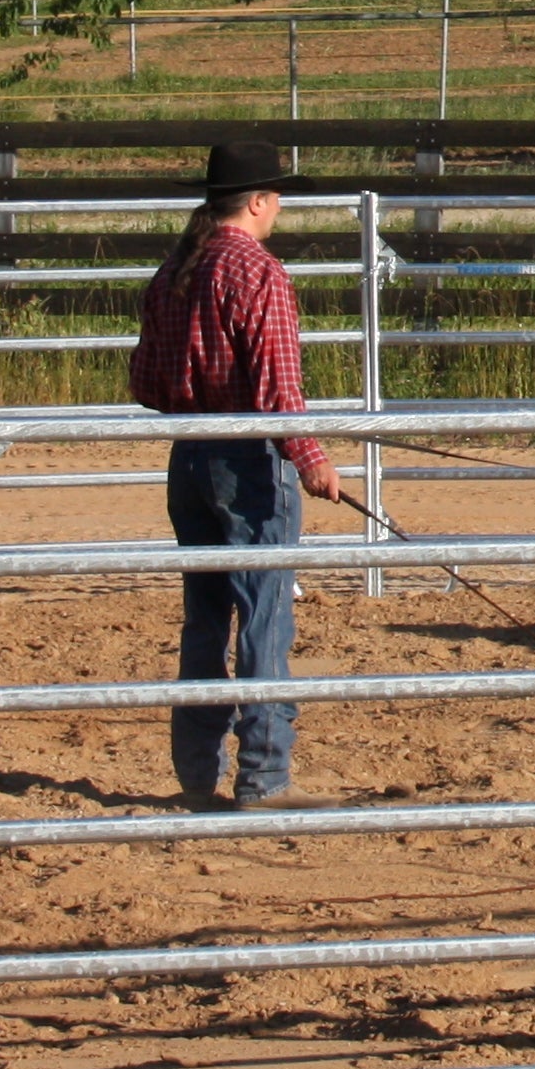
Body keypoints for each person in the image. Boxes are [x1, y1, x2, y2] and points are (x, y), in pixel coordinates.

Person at [126, 141, 350, 808]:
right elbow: (279, 385)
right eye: (276, 199)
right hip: (249, 461)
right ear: (257, 202)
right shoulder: (258, 272)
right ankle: (263, 774)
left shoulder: (176, 269)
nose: (277, 210)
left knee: (205, 618)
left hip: (189, 455)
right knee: (263, 617)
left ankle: (197, 772)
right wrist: (309, 458)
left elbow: (146, 382)